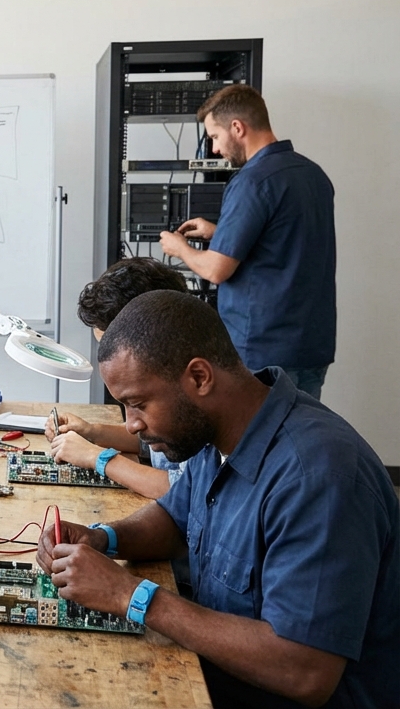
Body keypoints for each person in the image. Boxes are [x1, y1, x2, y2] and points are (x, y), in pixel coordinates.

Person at [37, 291, 399, 708]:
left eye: (137, 404)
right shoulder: (217, 434)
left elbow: (303, 669)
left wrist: (128, 595)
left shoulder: (318, 477)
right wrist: (102, 538)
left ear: (199, 378)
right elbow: (175, 520)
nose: (132, 425)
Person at [159, 85, 335, 400]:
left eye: (214, 137)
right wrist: (220, 232)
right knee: (298, 441)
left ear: (237, 128)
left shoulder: (252, 181)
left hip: (262, 349)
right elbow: (286, 239)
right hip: (311, 345)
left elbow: (216, 270)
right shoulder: (313, 174)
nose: (214, 150)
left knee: (257, 444)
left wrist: (179, 248)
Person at [46, 257, 189, 499]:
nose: (133, 423)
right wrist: (92, 432)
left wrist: (98, 458)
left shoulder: (193, 392)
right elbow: (154, 446)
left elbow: (187, 491)